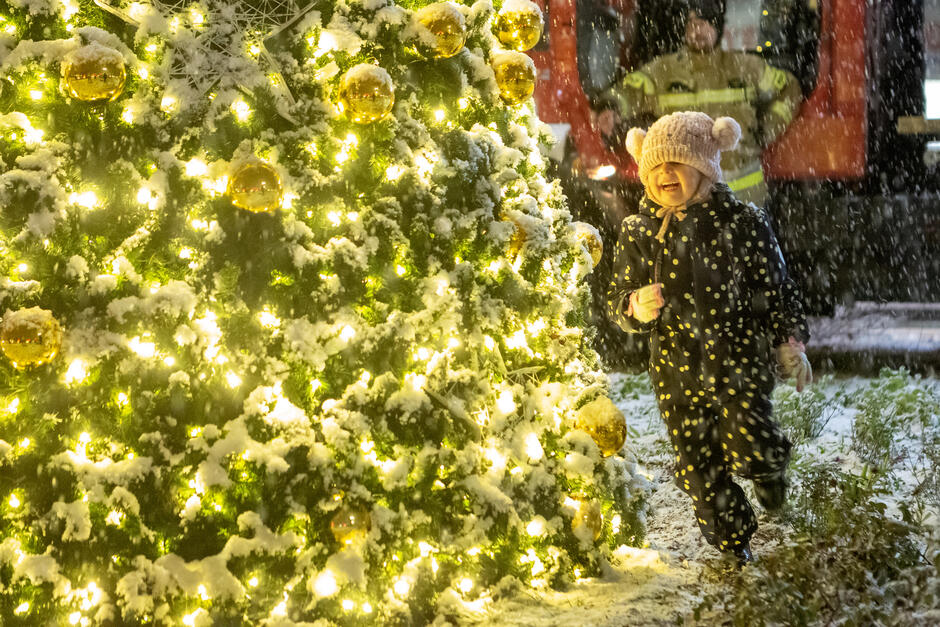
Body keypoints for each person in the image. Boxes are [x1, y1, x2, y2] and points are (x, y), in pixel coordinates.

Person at [606, 111, 812, 565]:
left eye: (677, 162)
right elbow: (616, 299)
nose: (665, 173)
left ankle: (768, 470)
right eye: (656, 165)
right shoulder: (638, 232)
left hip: (739, 363)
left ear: (704, 167)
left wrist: (789, 341)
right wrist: (633, 306)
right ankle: (733, 542)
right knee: (700, 470)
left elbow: (776, 289)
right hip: (676, 374)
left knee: (750, 442)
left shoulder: (742, 223)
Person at [594, 0, 802, 206]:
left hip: (745, 199)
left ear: (718, 27)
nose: (698, 30)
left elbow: (789, 88)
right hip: (686, 200)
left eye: (705, 23)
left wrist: (769, 128)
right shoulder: (663, 71)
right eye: (692, 24)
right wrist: (611, 106)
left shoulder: (747, 68)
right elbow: (629, 90)